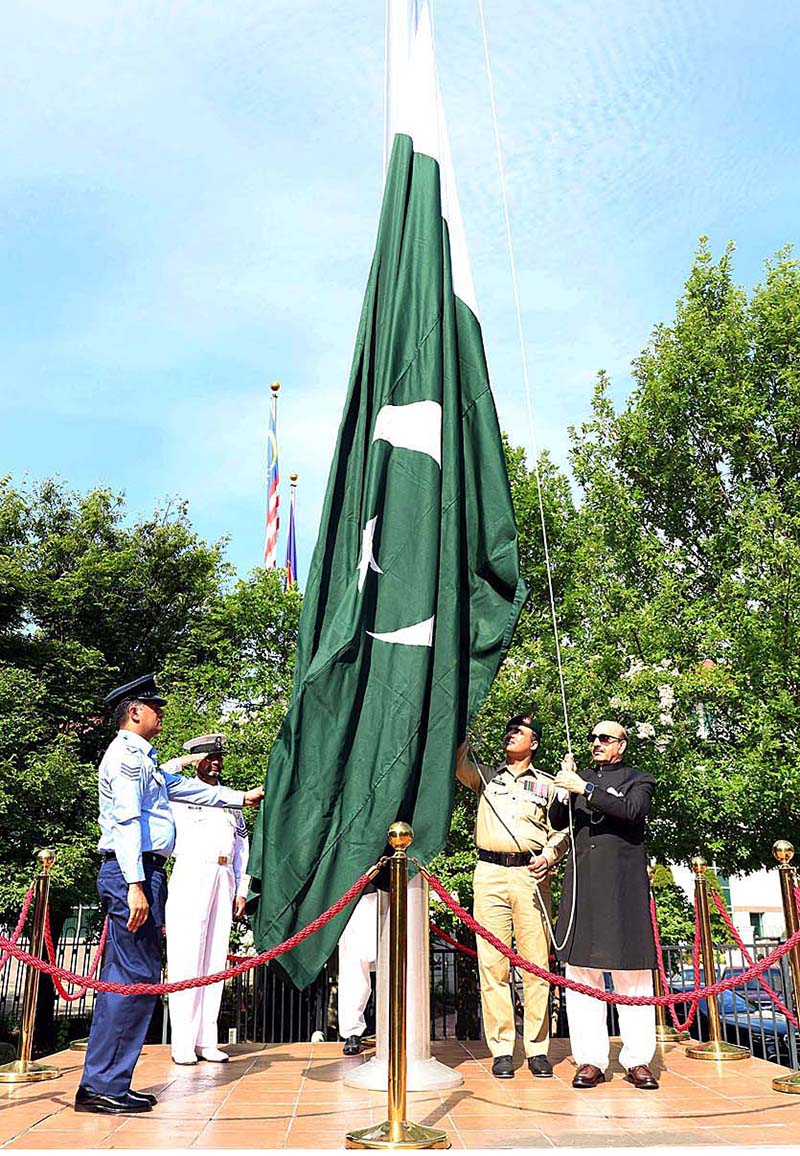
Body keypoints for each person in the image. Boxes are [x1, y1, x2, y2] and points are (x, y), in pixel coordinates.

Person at [75, 675, 264, 1116]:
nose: (161, 714)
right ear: (134, 711)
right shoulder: (125, 758)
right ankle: (104, 1085)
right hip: (133, 875)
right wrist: (136, 884)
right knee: (131, 980)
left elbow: (182, 788)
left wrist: (241, 796)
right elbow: (124, 823)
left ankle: (106, 1082)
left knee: (132, 978)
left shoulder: (144, 759)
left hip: (141, 872)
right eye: (154, 707)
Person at [456, 713, 569, 1079]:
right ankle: (502, 1049)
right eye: (509, 730)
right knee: (493, 965)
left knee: (536, 965)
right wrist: (461, 716)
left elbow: (563, 832)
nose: (511, 734)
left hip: (529, 876)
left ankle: (537, 1049)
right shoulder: (487, 776)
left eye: (520, 732)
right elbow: (456, 763)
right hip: (489, 874)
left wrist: (550, 855)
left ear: (534, 743)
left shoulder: (550, 786)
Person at [552, 720, 658, 1090]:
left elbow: (631, 810)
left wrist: (584, 787)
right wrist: (562, 789)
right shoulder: (579, 778)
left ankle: (638, 1060)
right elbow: (555, 820)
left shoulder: (639, 779)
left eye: (605, 738)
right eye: (593, 738)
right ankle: (590, 1060)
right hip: (585, 889)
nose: (596, 743)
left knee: (633, 978)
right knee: (581, 976)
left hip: (623, 889)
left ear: (621, 745)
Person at [166, 733, 251, 1065]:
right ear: (196, 762)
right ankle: (182, 1042)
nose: (215, 763)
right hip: (191, 873)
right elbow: (155, 775)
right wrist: (182, 762)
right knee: (187, 957)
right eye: (208, 758)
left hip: (223, 876)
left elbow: (242, 847)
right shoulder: (178, 792)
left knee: (215, 959)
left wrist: (241, 889)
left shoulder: (230, 799)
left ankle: (206, 1039)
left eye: (219, 758)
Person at [337, 886, 378, 1055]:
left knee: (395, 964)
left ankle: (399, 1028)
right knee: (353, 970)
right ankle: (352, 1032)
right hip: (353, 897)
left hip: (389, 894)